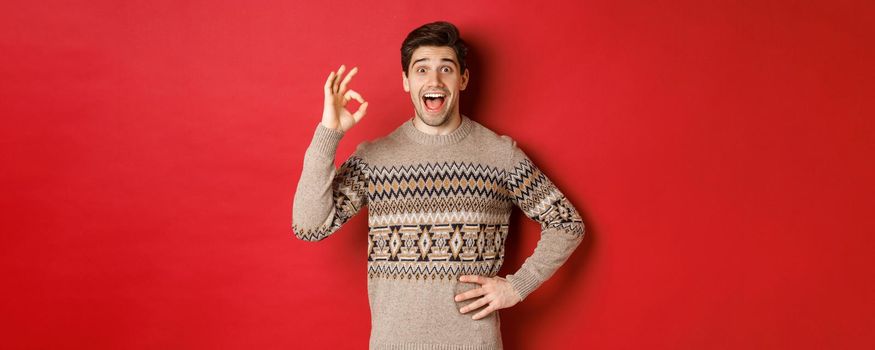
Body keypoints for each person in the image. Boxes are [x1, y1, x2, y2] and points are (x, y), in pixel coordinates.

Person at [292, 21, 585, 350]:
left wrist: (517, 286)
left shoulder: (499, 154)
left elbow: (566, 222)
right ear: (406, 81)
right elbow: (309, 226)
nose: (434, 80)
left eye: (446, 69)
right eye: (421, 70)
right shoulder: (375, 158)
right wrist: (329, 132)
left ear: (462, 79)